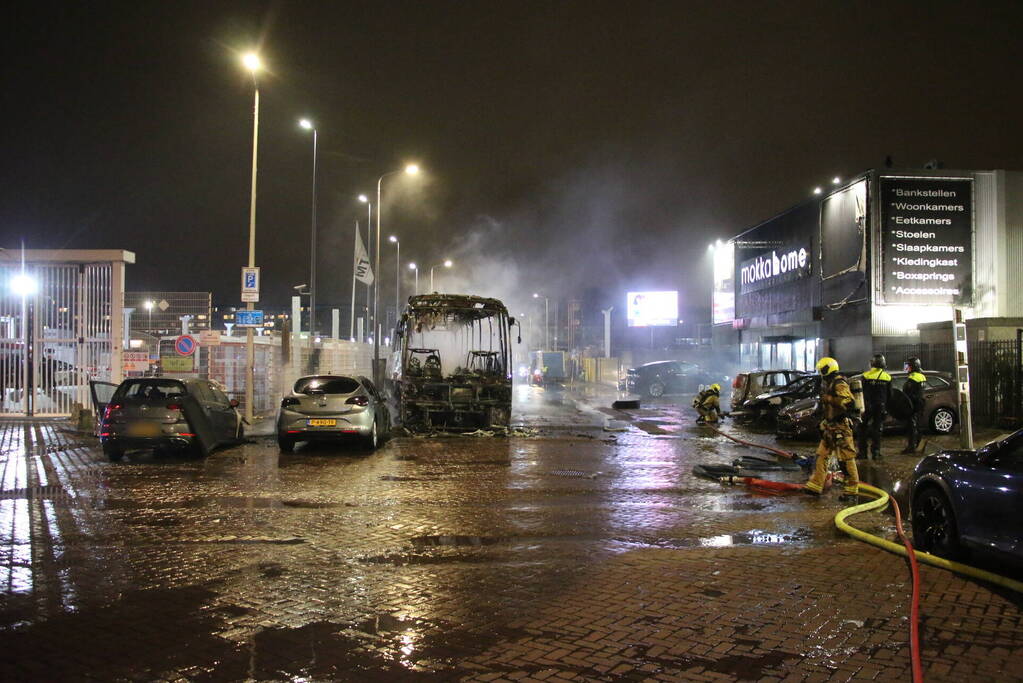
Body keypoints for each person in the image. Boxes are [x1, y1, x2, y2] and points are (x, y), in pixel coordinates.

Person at [804, 357, 859, 501]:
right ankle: (816, 486)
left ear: (828, 369)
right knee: (821, 456)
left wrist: (830, 399)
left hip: (841, 427)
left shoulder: (840, 383)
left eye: (822, 369)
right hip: (830, 427)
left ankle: (852, 490)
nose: (820, 372)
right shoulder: (829, 383)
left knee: (846, 458)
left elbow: (849, 403)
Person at [858, 354, 891, 460]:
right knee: (877, 429)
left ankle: (863, 453)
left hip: (867, 406)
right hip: (880, 407)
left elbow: (860, 393)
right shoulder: (887, 377)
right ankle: (876, 452)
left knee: (862, 429)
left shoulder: (866, 376)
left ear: (872, 363)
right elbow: (890, 395)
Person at [901, 357, 926, 454]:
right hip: (920, 404)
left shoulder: (912, 378)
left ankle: (911, 447)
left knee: (911, 426)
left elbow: (907, 393)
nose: (907, 368)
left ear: (914, 366)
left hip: (913, 405)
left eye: (909, 366)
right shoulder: (922, 376)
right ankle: (918, 444)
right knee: (918, 426)